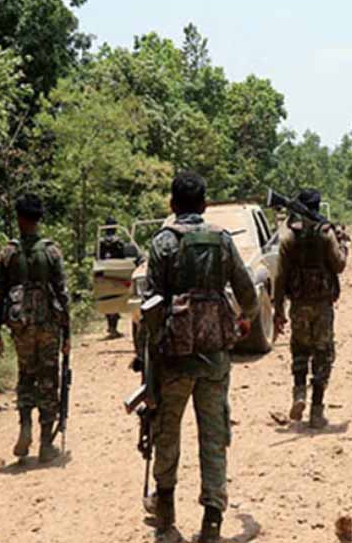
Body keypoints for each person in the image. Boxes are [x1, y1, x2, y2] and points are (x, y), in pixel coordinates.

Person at [136, 172, 258, 542]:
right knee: (214, 436)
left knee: (166, 433)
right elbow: (248, 295)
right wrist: (244, 320)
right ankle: (212, 522)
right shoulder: (222, 240)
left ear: (172, 205)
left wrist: (147, 358)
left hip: (174, 359)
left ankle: (165, 515)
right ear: (204, 206)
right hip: (215, 358)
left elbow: (150, 305)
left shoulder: (162, 243)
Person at [0, 193, 71, 463]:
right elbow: (62, 293)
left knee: (26, 375)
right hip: (48, 325)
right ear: (39, 219)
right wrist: (68, 334)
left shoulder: (8, 253)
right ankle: (46, 443)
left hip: (21, 325)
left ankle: (25, 424)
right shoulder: (51, 251)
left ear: (18, 219)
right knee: (49, 379)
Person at [273, 188, 348, 429]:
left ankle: (299, 394)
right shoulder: (326, 235)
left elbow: (280, 278)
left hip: (298, 304)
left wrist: (278, 310)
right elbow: (339, 265)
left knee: (300, 350)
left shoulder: (289, 238)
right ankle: (316, 411)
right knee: (323, 354)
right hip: (322, 305)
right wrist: (342, 243)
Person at [98, 217, 126, 339]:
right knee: (116, 298)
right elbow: (123, 257)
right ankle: (113, 328)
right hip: (116, 272)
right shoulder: (119, 242)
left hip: (103, 272)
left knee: (107, 298)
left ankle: (111, 326)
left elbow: (97, 256)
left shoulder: (100, 242)